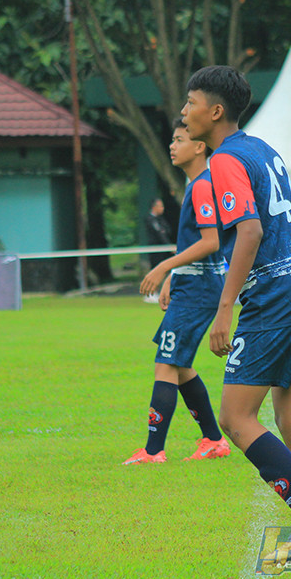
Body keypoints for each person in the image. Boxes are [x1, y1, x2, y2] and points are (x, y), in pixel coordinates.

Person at [181, 65, 291, 565]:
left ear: (215, 111)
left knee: (234, 417)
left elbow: (249, 232)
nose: (183, 112)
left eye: (191, 103)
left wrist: (224, 309)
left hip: (278, 293)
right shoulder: (262, 149)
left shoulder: (225, 160)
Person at [124, 118, 230, 465]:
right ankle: (213, 440)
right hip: (192, 283)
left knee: (166, 364)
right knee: (180, 366)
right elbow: (195, 243)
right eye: (171, 140)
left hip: (199, 288)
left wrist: (164, 267)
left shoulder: (202, 186)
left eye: (179, 139)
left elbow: (211, 242)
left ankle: (153, 451)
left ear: (199, 146)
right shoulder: (196, 185)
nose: (172, 145)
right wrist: (174, 275)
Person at [144, 197, 174, 302]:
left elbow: (167, 231)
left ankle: (160, 292)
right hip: (155, 249)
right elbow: (159, 233)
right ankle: (150, 293)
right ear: (154, 207)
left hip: (163, 250)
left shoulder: (161, 219)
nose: (162, 208)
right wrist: (169, 246)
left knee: (165, 270)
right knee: (155, 269)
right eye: (160, 206)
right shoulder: (150, 219)